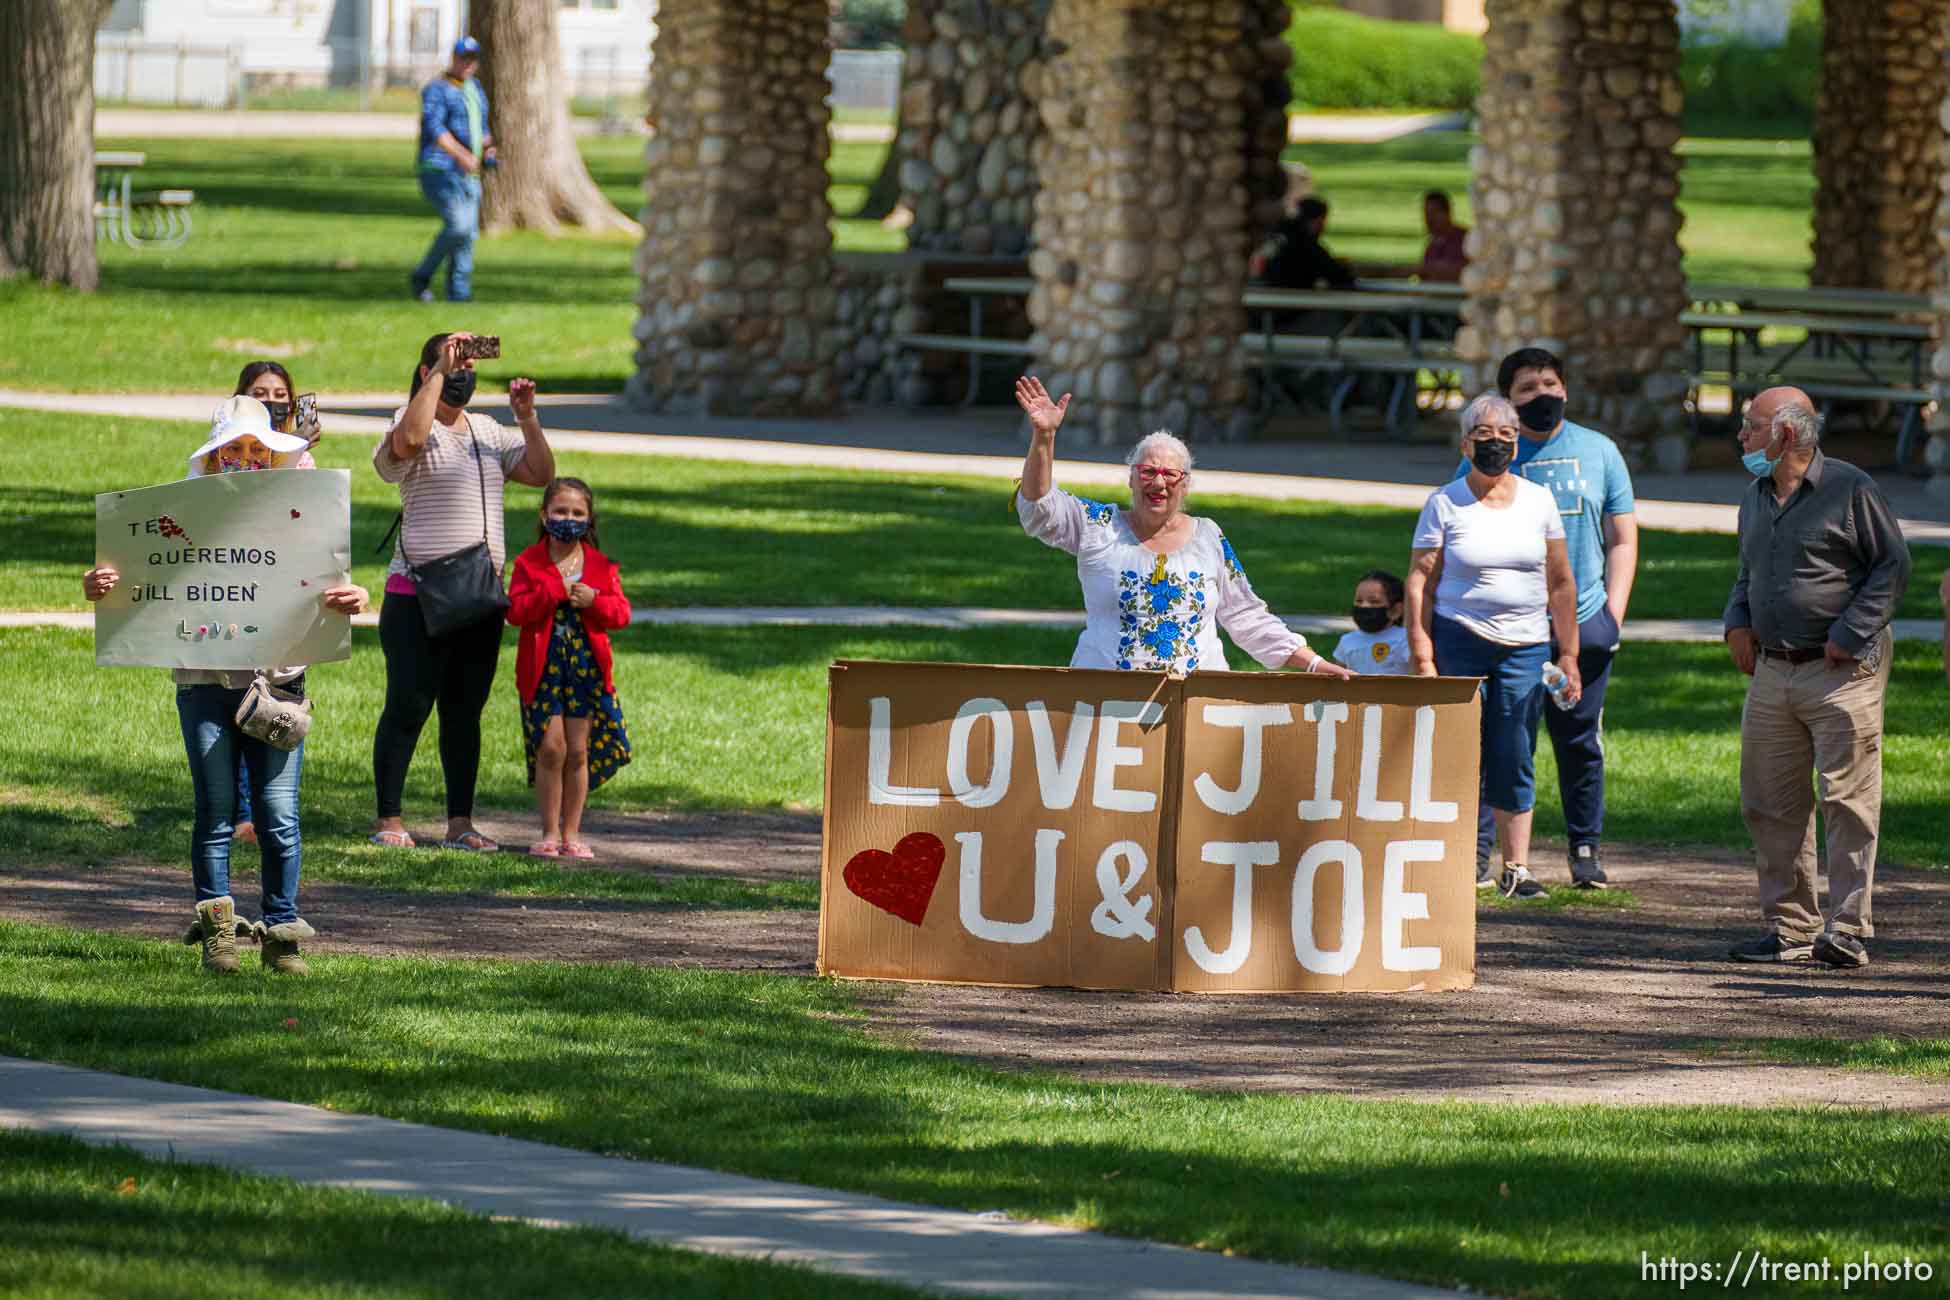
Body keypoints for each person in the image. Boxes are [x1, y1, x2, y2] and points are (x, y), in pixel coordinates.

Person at [83, 396, 368, 974]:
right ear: (213, 460)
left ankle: (282, 936)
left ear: (272, 454)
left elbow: (328, 581)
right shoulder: (177, 517)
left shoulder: (300, 514)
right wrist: (102, 584)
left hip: (278, 685)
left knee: (278, 813)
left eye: (256, 449)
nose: (245, 459)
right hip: (205, 683)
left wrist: (356, 598)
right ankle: (219, 935)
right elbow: (141, 579)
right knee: (215, 809)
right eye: (232, 450)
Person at [1724, 387, 1910, 968]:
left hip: (1841, 671)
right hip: (1774, 669)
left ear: (1784, 434)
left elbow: (1892, 566)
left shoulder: (1850, 488)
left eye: (1749, 425)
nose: (1740, 435)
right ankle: (1790, 928)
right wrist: (1737, 622)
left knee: (1846, 800)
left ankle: (1848, 930)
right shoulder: (1755, 496)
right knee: (1768, 801)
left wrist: (1850, 633)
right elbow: (1747, 571)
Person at [1013, 376, 1353, 679]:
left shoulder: (1208, 537)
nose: (1158, 483)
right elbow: (1040, 506)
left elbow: (1246, 615)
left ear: (1185, 485)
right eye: (1148, 472)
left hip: (1194, 708)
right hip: (1105, 703)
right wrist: (1044, 437)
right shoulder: (1097, 525)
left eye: (1170, 475)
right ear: (1131, 478)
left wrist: (1313, 663)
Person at [1451, 347, 1638, 890]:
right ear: (1506, 401)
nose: (1543, 396)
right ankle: (1482, 856)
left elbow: (1622, 536)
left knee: (1579, 741)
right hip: (1510, 629)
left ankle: (1585, 850)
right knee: (1503, 739)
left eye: (1551, 384)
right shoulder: (1488, 456)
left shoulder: (1599, 451)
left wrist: (1612, 614)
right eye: (1527, 389)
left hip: (1583, 620)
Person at [371, 332, 555, 852]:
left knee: (463, 711)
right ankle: (389, 819)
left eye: (469, 363)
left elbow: (542, 473)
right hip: (418, 593)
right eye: (455, 362)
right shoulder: (408, 421)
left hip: (478, 595)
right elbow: (404, 445)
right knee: (407, 705)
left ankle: (460, 823)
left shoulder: (489, 432)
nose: (464, 371)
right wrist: (435, 375)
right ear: (427, 369)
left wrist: (526, 415)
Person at [1408, 392, 1582, 900]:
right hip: (1459, 639)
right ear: (1465, 444)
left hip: (1525, 646)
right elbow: (1420, 579)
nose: (1495, 445)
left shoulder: (1539, 501)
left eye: (1506, 436)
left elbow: (1561, 581)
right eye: (1484, 436)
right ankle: (1453, 862)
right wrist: (1423, 651)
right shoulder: (1444, 502)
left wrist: (1567, 652)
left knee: (1514, 752)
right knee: (1456, 753)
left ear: (1518, 441)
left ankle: (1517, 868)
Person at [507, 477, 633, 859]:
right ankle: (548, 831)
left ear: (589, 519)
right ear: (544, 515)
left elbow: (621, 614)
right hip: (543, 669)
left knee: (578, 751)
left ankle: (572, 833)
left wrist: (594, 600)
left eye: (577, 513)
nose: (568, 519)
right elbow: (515, 611)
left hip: (585, 671)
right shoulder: (529, 563)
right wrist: (552, 592)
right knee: (551, 747)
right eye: (561, 511)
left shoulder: (600, 566)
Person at [228, 361, 323, 845]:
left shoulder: (301, 460)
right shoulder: (220, 455)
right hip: (230, 603)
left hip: (281, 605)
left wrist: (300, 450)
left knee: (273, 699)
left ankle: (271, 808)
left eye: (280, 393)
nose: (272, 400)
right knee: (235, 699)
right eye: (259, 392)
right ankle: (243, 810)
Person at [412, 36, 495, 304]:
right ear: (453, 58)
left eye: (472, 59)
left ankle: (459, 294)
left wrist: (489, 150)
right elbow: (434, 129)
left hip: (469, 173)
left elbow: (481, 129)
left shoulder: (475, 90)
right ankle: (422, 276)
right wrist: (461, 155)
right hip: (439, 168)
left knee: (468, 234)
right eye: (463, 58)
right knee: (458, 225)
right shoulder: (437, 89)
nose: (467, 64)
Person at [1260, 196, 1356, 292]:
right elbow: (1337, 275)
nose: (1323, 227)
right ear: (1316, 221)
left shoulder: (1280, 235)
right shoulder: (1307, 246)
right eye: (1322, 222)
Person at [1333, 569, 1411, 675]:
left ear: (1396, 610)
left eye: (1374, 602)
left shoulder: (1405, 639)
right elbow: (1337, 676)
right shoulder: (1347, 641)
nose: (1364, 606)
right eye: (1359, 601)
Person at [1411, 190, 1468, 283]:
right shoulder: (1432, 245)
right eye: (1426, 214)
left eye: (1434, 214)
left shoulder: (1465, 240)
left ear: (1447, 213)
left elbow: (1463, 271)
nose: (1429, 220)